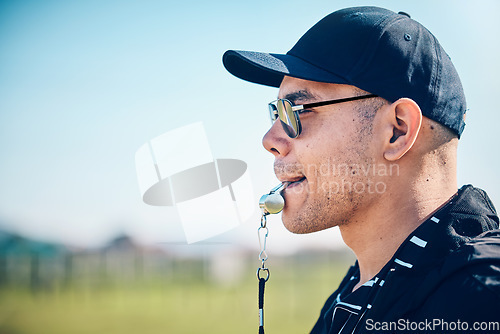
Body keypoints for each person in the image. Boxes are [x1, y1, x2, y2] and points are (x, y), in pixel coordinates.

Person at [222, 6, 500, 334]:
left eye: (295, 110)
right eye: (276, 112)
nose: (270, 140)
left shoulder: (481, 301)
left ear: (397, 130)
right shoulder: (357, 290)